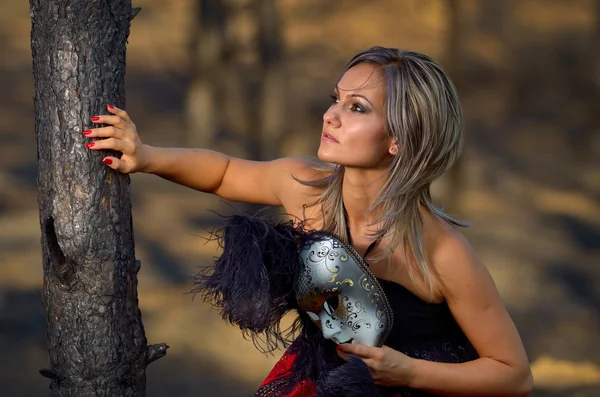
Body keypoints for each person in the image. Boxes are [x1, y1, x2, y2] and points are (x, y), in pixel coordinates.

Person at [85, 46, 533, 396]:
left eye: (356, 108)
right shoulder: (306, 188)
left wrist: (408, 372)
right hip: (320, 378)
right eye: (335, 99)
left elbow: (513, 375)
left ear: (400, 138)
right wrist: (146, 157)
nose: (329, 115)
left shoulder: (442, 252)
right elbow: (223, 172)